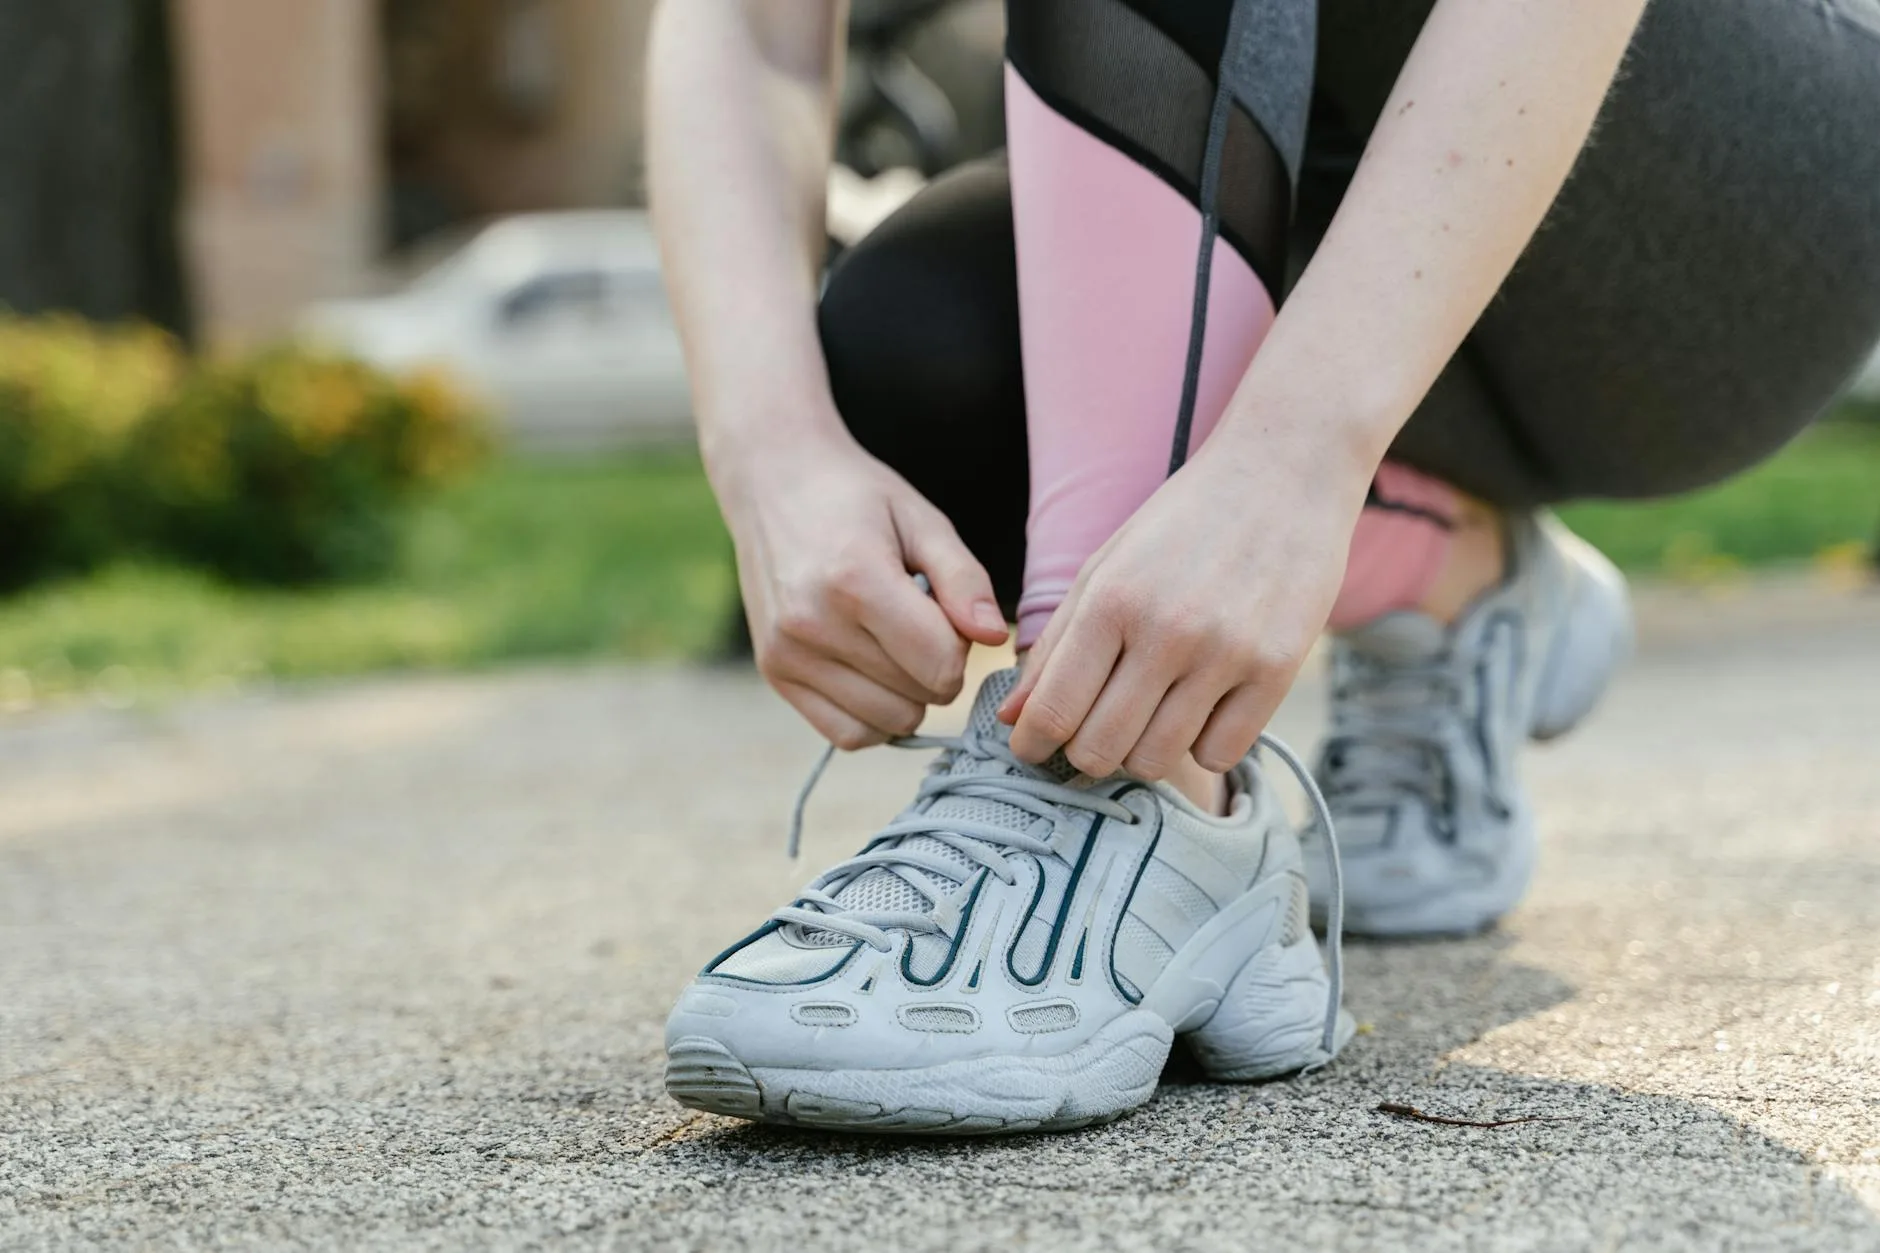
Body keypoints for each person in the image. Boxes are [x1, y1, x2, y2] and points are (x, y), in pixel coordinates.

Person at [647, 0, 1880, 1133]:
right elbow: (747, 25)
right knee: (914, 344)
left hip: (1722, 212)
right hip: (1337, 206)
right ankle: (1450, 571)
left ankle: (1129, 779)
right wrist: (775, 458)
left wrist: (1301, 455)